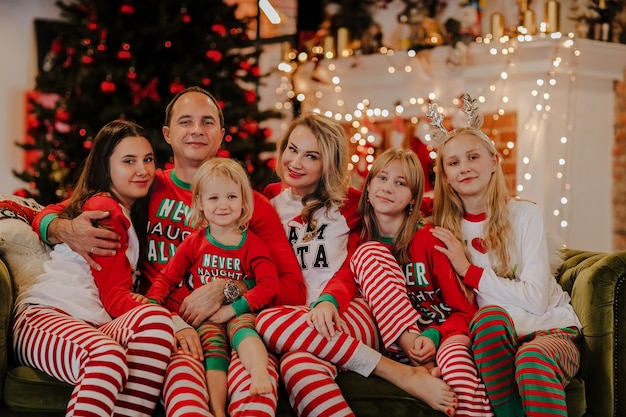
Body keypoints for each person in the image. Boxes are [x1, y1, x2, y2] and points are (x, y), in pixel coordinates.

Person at [32, 86, 306, 417]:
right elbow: (51, 212)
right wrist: (64, 229)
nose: (196, 130)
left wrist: (229, 290)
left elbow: (292, 287)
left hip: (233, 327)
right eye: (185, 121)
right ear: (168, 134)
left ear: (221, 134)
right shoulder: (144, 185)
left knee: (254, 396)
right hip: (170, 334)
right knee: (186, 400)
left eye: (207, 122)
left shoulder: (248, 203)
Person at [255, 112, 458, 417]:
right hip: (297, 317)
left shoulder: (349, 202)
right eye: (292, 149)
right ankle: (398, 373)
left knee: (268, 324)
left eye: (311, 156)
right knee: (296, 366)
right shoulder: (266, 203)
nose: (295, 162)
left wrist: (493, 205)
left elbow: (408, 198)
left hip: (349, 311)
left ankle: (402, 372)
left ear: (329, 163)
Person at [428, 95, 582, 417]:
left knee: (531, 360)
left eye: (473, 157)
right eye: (453, 163)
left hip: (550, 331)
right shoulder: (444, 231)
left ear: (494, 161)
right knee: (488, 318)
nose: (465, 168)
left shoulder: (525, 216)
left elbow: (537, 298)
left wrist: (469, 271)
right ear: (444, 176)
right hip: (494, 340)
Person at [12, 119, 175, 417]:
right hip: (46, 318)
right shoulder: (106, 210)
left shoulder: (119, 208)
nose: (143, 170)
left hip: (94, 325)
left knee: (156, 325)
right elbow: (114, 297)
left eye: (148, 159)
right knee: (108, 357)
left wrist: (153, 311)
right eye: (129, 161)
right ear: (105, 165)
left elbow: (52, 209)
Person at [350, 147, 492, 417]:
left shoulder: (429, 240)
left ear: (413, 199)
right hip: (396, 347)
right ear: (367, 189)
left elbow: (465, 311)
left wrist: (435, 335)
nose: (388, 188)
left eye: (400, 183)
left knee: (456, 366)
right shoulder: (360, 246)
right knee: (367, 254)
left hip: (445, 336)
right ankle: (420, 370)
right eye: (381, 178)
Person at [145, 158, 277, 417]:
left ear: (243, 202)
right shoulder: (195, 242)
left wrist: (234, 309)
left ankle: (259, 371)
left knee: (244, 331)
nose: (223, 205)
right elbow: (167, 277)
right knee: (212, 345)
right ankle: (217, 410)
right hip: (207, 320)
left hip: (239, 312)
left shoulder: (252, 243)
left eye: (231, 196)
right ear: (200, 204)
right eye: (214, 198)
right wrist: (151, 304)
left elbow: (270, 283)